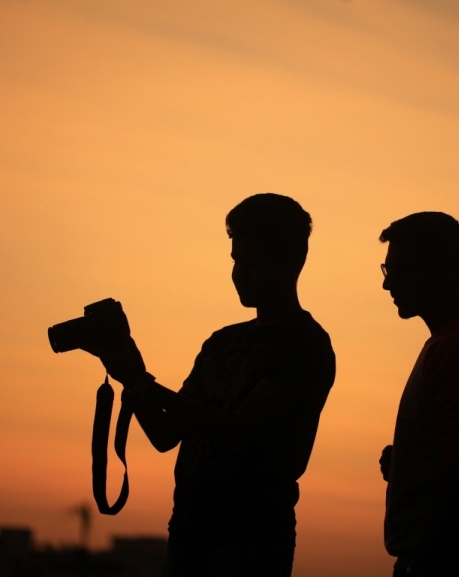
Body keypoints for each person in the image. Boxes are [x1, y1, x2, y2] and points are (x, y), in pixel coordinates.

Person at [86, 193, 336, 577]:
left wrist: (142, 381)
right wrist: (130, 376)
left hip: (252, 544)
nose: (238, 273)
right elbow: (166, 434)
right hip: (189, 534)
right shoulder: (222, 342)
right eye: (235, 260)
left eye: (252, 263)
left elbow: (238, 430)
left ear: (290, 261)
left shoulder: (304, 344)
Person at [377, 212, 459, 577]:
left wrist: (423, 560)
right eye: (387, 271)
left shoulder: (456, 348)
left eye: (401, 271)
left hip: (449, 562)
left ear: (445, 272)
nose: (389, 286)